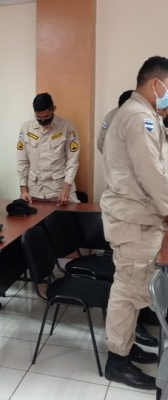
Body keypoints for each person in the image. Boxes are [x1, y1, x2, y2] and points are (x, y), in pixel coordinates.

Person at [101, 56, 168, 390]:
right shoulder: (140, 117)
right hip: (134, 220)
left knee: (131, 288)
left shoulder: (136, 114)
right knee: (128, 291)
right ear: (156, 83)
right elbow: (153, 174)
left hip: (135, 217)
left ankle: (126, 346)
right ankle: (117, 360)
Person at [17, 93, 80, 204]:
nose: (42, 120)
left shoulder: (67, 128)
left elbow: (72, 162)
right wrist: (23, 189)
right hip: (34, 192)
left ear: (53, 109)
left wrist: (66, 189)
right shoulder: (26, 128)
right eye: (38, 117)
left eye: (46, 116)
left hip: (59, 190)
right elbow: (22, 161)